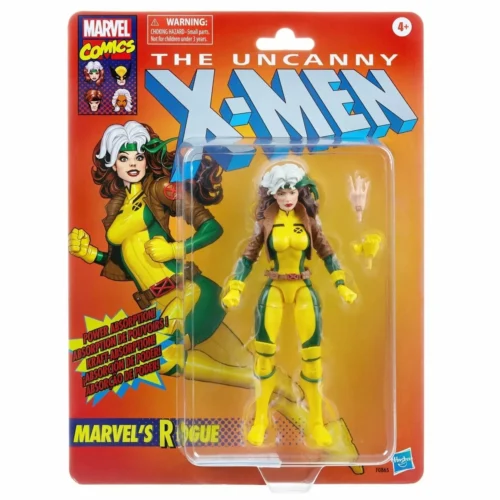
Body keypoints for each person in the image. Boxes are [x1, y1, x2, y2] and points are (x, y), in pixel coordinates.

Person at [223, 162, 357, 447]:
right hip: (274, 288)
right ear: (273, 194)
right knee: (264, 357)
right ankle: (260, 419)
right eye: (281, 192)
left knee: (313, 360)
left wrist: (342, 285)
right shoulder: (266, 222)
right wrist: (235, 288)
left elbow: (327, 252)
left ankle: (317, 423)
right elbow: (248, 256)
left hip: (303, 289)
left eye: (292, 191)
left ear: (300, 192)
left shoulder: (308, 220)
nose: (287, 197)